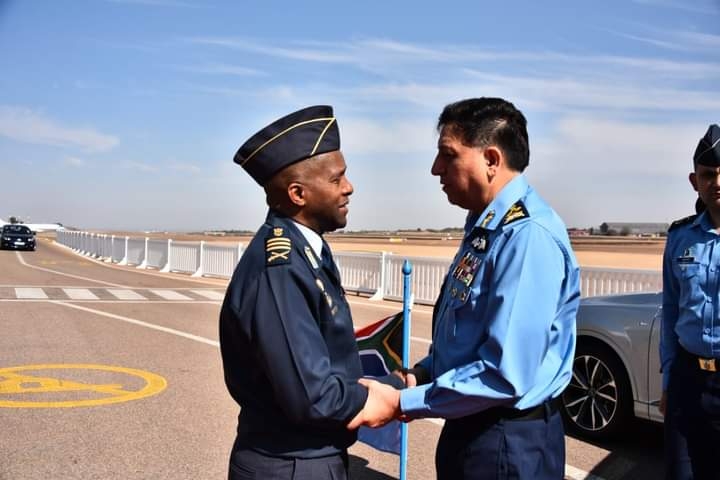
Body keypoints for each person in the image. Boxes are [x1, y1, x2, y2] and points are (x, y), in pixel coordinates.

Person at [349, 97, 581, 479]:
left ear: (491, 159)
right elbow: (470, 332)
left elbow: (504, 375)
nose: (435, 168)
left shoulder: (526, 237)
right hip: (474, 425)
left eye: (448, 155)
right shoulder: (485, 225)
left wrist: (400, 402)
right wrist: (421, 374)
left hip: (506, 439)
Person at [219, 105, 371, 480]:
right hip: (291, 465)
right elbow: (311, 396)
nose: (349, 187)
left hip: (307, 458)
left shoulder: (307, 249)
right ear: (298, 193)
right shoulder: (282, 268)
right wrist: (379, 395)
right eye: (337, 179)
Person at [660, 123, 720, 480]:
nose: (717, 182)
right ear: (694, 181)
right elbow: (670, 311)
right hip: (687, 380)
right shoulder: (680, 237)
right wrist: (668, 381)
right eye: (708, 174)